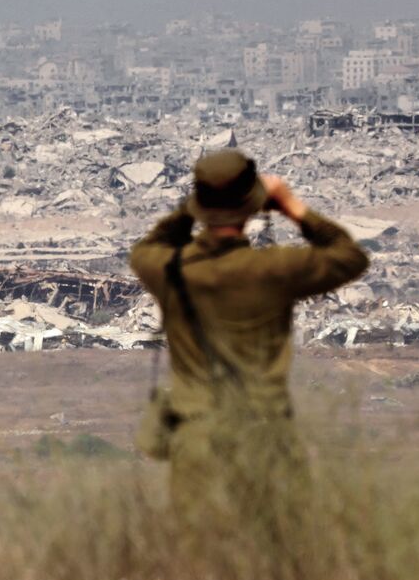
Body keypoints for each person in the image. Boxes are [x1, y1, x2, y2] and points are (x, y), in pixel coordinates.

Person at [130, 150, 369, 530]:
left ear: (201, 203)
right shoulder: (274, 269)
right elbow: (349, 257)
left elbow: (148, 247)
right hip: (264, 435)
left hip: (196, 438)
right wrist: (291, 206)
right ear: (252, 204)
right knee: (275, 544)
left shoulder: (169, 271)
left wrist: (189, 210)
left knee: (199, 545)